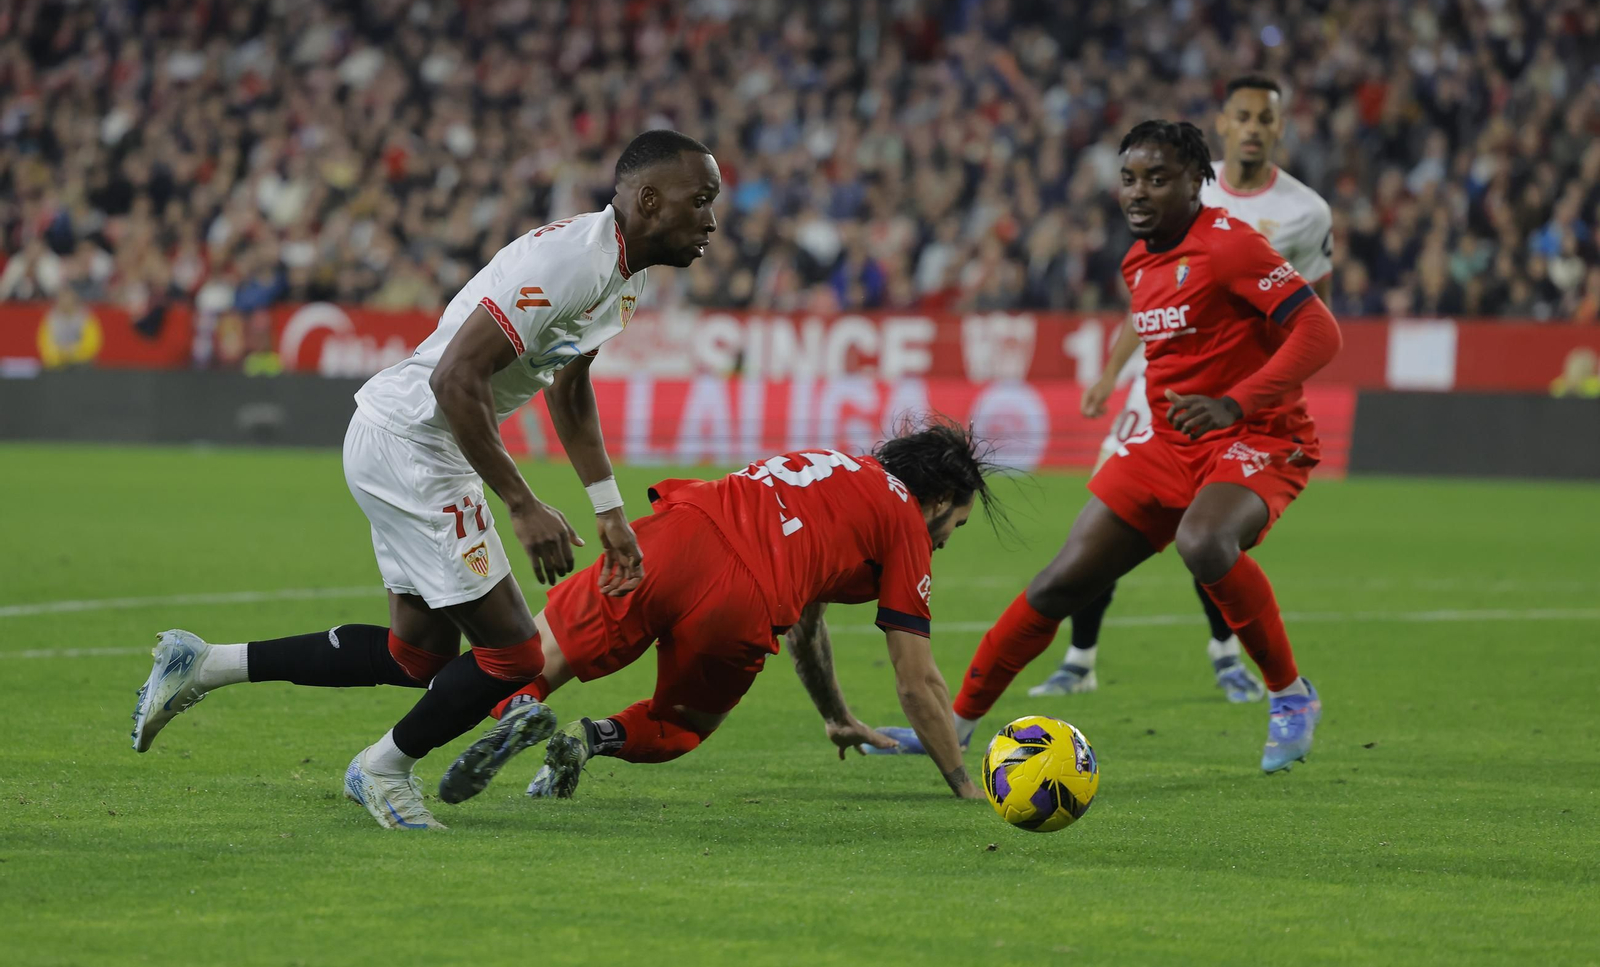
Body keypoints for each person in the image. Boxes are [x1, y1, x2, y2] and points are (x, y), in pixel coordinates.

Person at [130, 129, 721, 830]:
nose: (712, 219)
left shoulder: (625, 275)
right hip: (416, 440)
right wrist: (522, 504)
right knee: (514, 654)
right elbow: (454, 376)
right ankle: (381, 768)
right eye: (702, 199)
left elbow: (568, 387)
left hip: (413, 439)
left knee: (417, 653)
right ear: (650, 200)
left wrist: (608, 507)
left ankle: (201, 665)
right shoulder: (570, 262)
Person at [870, 120, 1341, 773]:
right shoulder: (1137, 260)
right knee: (1060, 582)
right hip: (1166, 444)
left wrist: (1236, 402)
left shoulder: (1233, 248)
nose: (1139, 192)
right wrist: (1117, 381)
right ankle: (953, 723)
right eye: (1129, 179)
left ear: (1197, 181)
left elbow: (1320, 333)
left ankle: (1291, 696)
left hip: (1256, 434)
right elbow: (1168, 338)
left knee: (1203, 543)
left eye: (1158, 178)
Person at [436, 419, 1001, 807]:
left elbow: (809, 625)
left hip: (680, 531)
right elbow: (916, 680)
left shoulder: (837, 466)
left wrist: (836, 715)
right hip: (744, 599)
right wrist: (963, 785)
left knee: (537, 652)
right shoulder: (906, 525)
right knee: (682, 724)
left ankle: (521, 708)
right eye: (958, 522)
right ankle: (592, 738)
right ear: (940, 499)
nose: (949, 537)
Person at [1031, 76, 1335, 704]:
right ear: (1223, 124)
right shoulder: (1175, 175)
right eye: (1242, 116)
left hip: (1231, 395)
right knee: (1106, 522)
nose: (1253, 127)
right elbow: (1148, 299)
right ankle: (1079, 657)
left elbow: (1312, 310)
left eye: (1265, 119)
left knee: (1208, 528)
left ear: (1279, 128)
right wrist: (1113, 372)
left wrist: (1259, 390)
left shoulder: (1307, 212)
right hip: (1158, 391)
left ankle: (1226, 653)